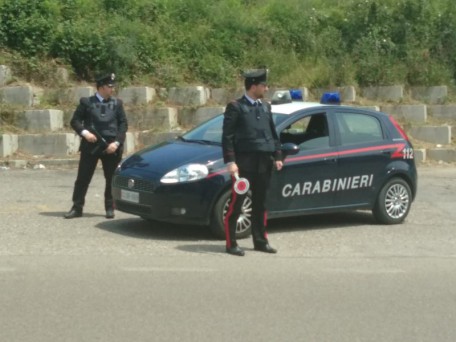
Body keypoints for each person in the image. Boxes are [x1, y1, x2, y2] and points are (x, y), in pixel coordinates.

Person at [222, 68, 283, 256]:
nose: (267, 88)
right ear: (254, 86)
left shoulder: (265, 107)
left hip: (264, 162)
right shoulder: (235, 107)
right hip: (244, 164)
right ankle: (231, 243)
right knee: (237, 203)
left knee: (260, 203)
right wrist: (231, 162)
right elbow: (227, 137)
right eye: (264, 85)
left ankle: (260, 241)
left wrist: (278, 156)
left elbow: (272, 133)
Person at [64, 73, 128, 219]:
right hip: (91, 146)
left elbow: (123, 125)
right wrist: (85, 133)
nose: (113, 89)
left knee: (111, 179)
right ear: (101, 87)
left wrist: (117, 143)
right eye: (110, 86)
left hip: (111, 147)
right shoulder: (86, 102)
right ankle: (77, 207)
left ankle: (109, 207)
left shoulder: (117, 103)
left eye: (113, 86)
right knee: (83, 178)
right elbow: (75, 121)